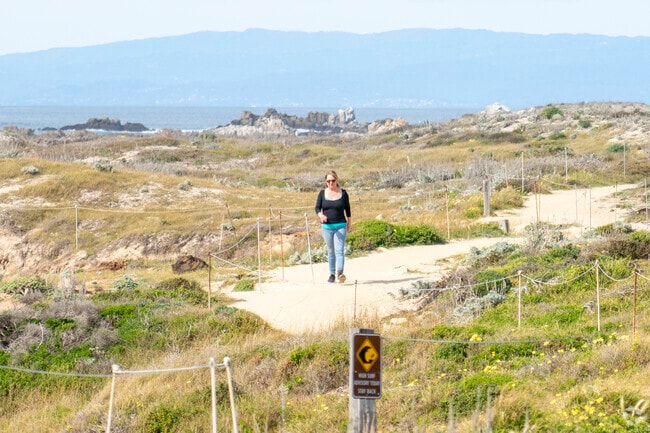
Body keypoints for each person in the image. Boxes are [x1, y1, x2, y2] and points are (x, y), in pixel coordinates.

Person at [315, 170, 352, 283]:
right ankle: (332, 274)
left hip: (340, 225)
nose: (331, 183)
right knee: (331, 251)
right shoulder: (322, 193)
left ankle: (340, 273)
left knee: (339, 251)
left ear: (337, 180)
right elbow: (317, 208)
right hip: (327, 227)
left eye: (333, 180)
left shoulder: (343, 193)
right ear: (326, 182)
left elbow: (348, 210)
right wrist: (320, 215)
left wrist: (349, 223)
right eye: (328, 181)